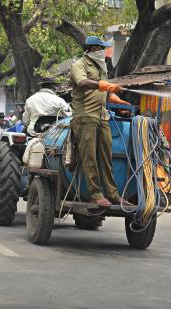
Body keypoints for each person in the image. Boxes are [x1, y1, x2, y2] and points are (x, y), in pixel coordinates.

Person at [70, 35, 132, 207]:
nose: (103, 51)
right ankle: (95, 194)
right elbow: (82, 82)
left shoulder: (102, 66)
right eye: (100, 48)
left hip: (102, 115)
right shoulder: (79, 64)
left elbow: (104, 90)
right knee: (89, 156)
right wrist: (103, 86)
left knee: (106, 156)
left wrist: (114, 96)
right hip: (85, 116)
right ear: (92, 49)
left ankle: (112, 194)